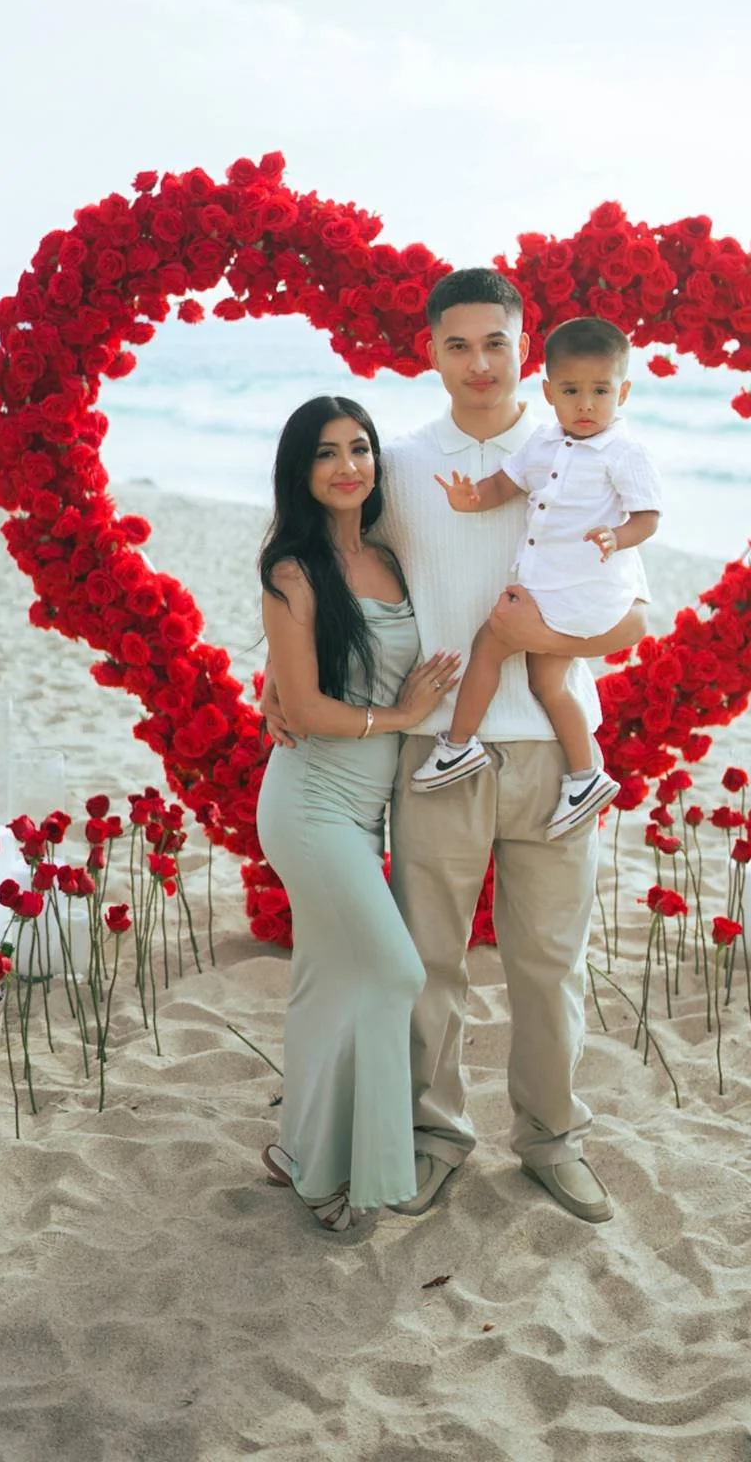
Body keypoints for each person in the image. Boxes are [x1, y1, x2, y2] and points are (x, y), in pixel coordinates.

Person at [376, 271, 647, 1225]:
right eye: (458, 345)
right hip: (437, 752)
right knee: (427, 963)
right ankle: (433, 1135)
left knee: (547, 965)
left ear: (524, 347)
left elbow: (634, 620)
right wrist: (279, 674)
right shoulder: (400, 461)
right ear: (432, 352)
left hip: (551, 758)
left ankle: (549, 1139)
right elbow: (331, 575)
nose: (479, 363)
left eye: (496, 342)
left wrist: (544, 644)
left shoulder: (583, 448)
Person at [255, 395, 460, 1231]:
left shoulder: (394, 556)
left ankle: (299, 1149)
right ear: (301, 471)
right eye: (327, 453)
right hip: (308, 803)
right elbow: (301, 709)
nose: (349, 466)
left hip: (367, 808)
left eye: (361, 449)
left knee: (324, 981)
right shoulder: (293, 570)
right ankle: (351, 1177)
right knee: (393, 972)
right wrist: (400, 719)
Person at [411, 316, 663, 839]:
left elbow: (648, 516)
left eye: (601, 391)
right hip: (546, 589)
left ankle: (458, 745)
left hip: (577, 593)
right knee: (546, 682)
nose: (587, 405)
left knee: (491, 644)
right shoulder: (545, 444)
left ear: (625, 392)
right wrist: (471, 497)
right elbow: (506, 483)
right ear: (549, 391)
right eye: (572, 391)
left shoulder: (624, 452)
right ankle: (585, 775)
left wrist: (618, 536)